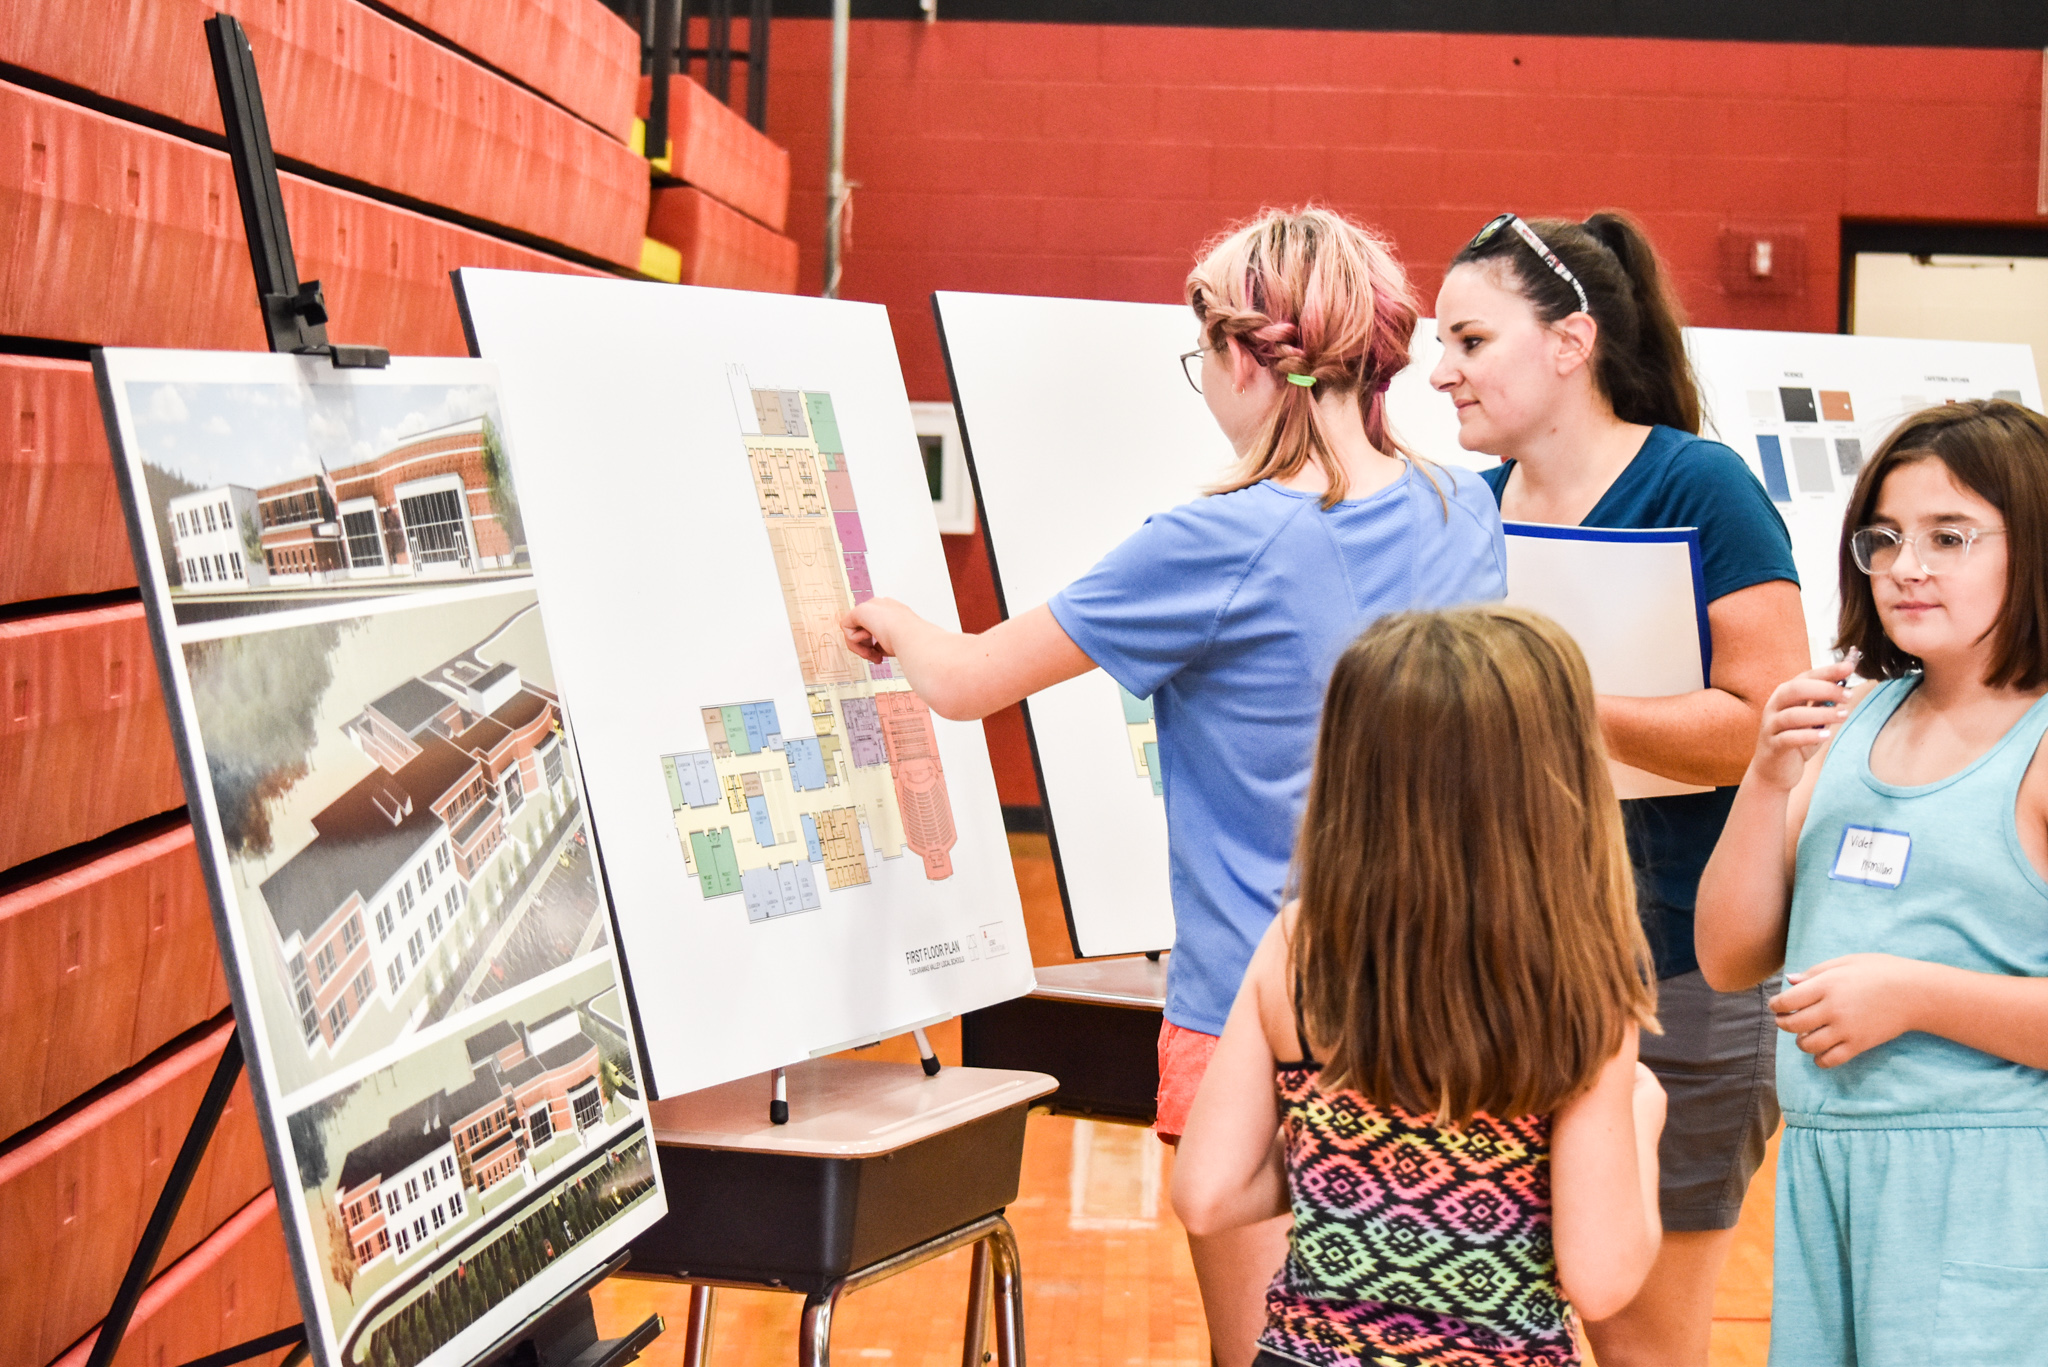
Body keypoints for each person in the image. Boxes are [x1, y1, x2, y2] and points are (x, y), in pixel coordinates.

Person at [841, 207, 1507, 1365]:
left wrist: (889, 618)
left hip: (1257, 1017)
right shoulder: (1462, 510)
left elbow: (964, 680)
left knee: (1259, 1351)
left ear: (1248, 358)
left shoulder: (1216, 539)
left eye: (1203, 352)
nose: (1203, 382)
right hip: (1439, 1000)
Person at [1426, 210, 1810, 1367]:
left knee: (1641, 1341)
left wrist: (1550, 694)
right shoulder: (1464, 508)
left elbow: (1765, 724)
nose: (1440, 371)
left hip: (1677, 978)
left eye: (1468, 340)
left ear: (1568, 343)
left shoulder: (1698, 484)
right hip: (1500, 980)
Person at [1171, 605, 1668, 1367]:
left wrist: (1346, 1169)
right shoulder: (1580, 979)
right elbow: (1600, 1280)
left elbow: (1207, 1194)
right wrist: (1643, 1117)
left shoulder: (1300, 943)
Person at [1697, 400, 2048, 1365]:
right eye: (1884, 537)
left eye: (1950, 536)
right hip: (1828, 1169)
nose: (1906, 565)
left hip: (1992, 1184)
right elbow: (1727, 956)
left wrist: (1917, 995)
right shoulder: (1849, 721)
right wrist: (1767, 776)